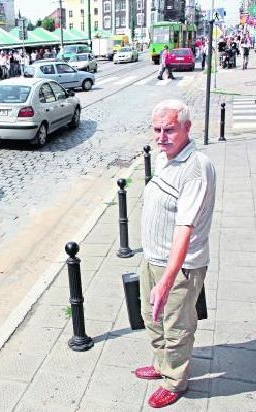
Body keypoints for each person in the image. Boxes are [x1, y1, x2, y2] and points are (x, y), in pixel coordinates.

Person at [136, 100, 216, 409]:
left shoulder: (195, 168)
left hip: (180, 267)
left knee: (177, 326)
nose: (161, 137)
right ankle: (161, 364)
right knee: (151, 317)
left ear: (186, 128)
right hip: (153, 258)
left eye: (169, 129)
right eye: (157, 129)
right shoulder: (164, 158)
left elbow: (185, 228)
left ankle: (175, 380)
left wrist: (167, 280)